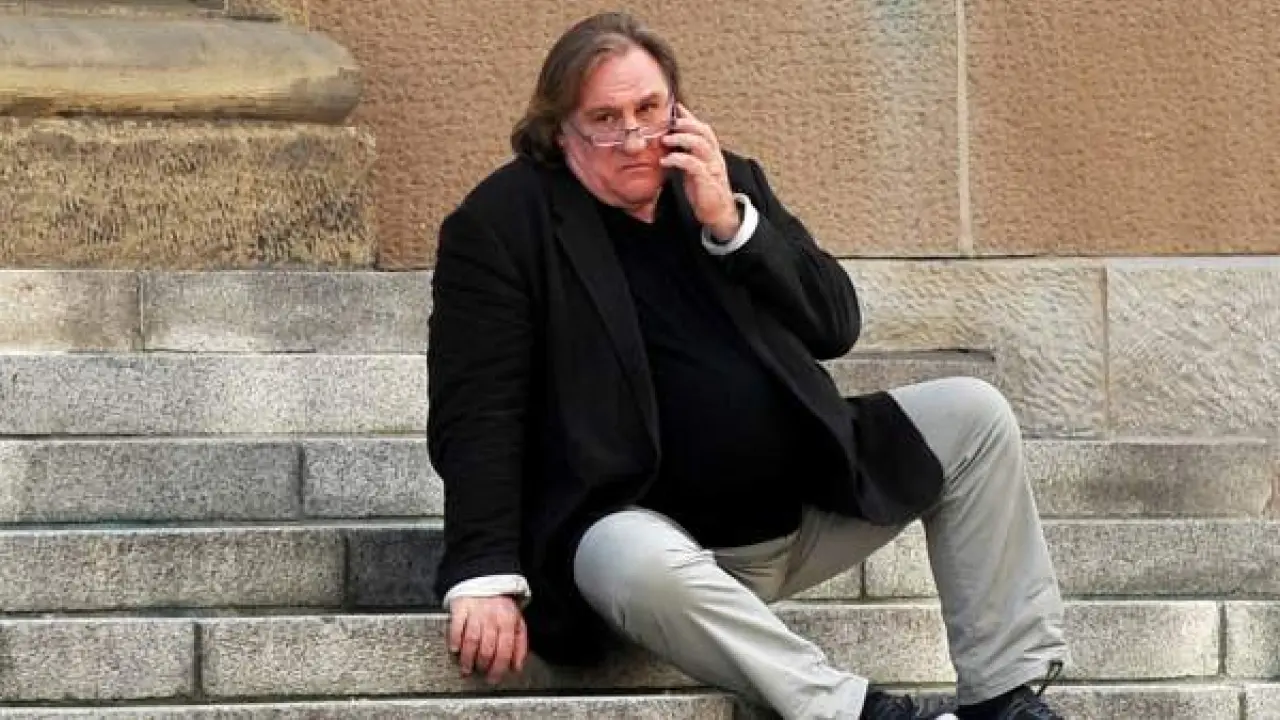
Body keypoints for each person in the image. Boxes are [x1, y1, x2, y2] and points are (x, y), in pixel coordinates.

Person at [427, 11, 1070, 720]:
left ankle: (1007, 696)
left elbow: (835, 324)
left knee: (975, 415)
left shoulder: (724, 182)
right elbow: (478, 411)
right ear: (560, 130)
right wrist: (483, 573)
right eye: (605, 120)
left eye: (649, 110)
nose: (635, 139)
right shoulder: (502, 225)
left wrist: (732, 225)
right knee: (621, 552)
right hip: (652, 550)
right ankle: (857, 712)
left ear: (677, 108)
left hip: (807, 511)